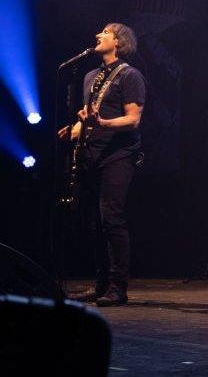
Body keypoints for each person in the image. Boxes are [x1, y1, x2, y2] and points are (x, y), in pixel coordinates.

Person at [59, 23, 146, 307]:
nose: (98, 35)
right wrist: (74, 128)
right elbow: (90, 117)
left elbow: (132, 120)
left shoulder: (130, 76)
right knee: (93, 222)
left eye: (105, 32)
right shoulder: (89, 77)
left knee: (111, 218)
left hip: (118, 154)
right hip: (91, 154)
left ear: (119, 42)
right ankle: (100, 284)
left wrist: (103, 123)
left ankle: (118, 286)